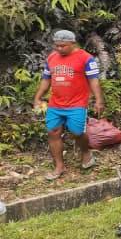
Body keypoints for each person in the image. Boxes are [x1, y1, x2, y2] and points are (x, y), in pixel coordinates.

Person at [33, 30, 105, 180]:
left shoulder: (86, 58)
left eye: (63, 46)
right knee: (53, 132)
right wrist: (38, 98)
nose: (59, 49)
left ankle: (86, 153)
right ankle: (59, 166)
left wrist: (99, 100)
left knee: (77, 132)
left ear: (73, 43)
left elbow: (94, 80)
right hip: (55, 104)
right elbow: (46, 79)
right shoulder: (52, 57)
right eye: (56, 46)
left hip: (77, 104)